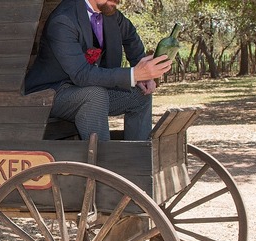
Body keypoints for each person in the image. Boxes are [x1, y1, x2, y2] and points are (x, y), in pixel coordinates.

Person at [25, 0, 172, 141]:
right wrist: (133, 74)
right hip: (52, 94)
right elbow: (81, 74)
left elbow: (130, 37)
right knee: (95, 95)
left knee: (140, 96)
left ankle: (137, 158)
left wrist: (144, 76)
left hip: (86, 88)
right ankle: (101, 161)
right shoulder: (63, 20)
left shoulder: (110, 13)